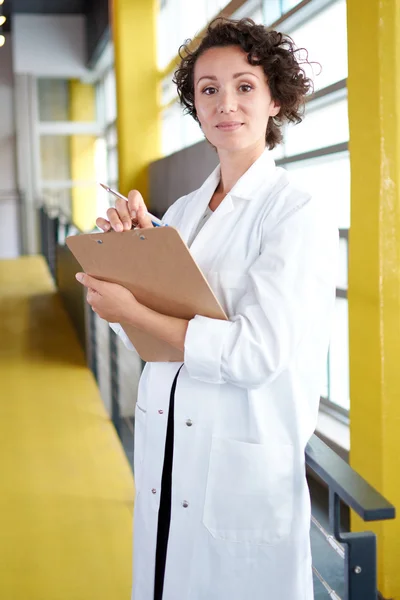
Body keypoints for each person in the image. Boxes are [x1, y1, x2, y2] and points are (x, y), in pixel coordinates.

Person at [76, 17, 338, 600]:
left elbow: (255, 355)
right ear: (195, 104)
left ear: (275, 98)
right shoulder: (189, 210)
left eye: (245, 86)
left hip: (241, 469)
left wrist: (134, 309)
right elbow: (152, 345)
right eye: (209, 89)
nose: (227, 103)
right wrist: (130, 264)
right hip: (170, 452)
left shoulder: (295, 212)